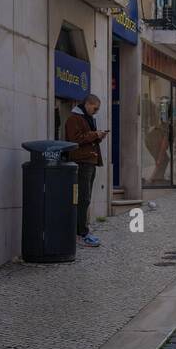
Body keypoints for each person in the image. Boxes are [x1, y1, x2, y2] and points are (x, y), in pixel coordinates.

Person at [63, 93, 109, 248]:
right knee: (82, 198)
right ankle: (80, 233)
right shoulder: (74, 118)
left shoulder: (87, 119)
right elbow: (74, 139)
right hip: (82, 162)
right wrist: (94, 134)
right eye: (95, 108)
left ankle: (82, 231)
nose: (96, 111)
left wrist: (98, 136)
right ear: (88, 104)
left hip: (90, 161)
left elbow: (86, 138)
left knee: (86, 198)